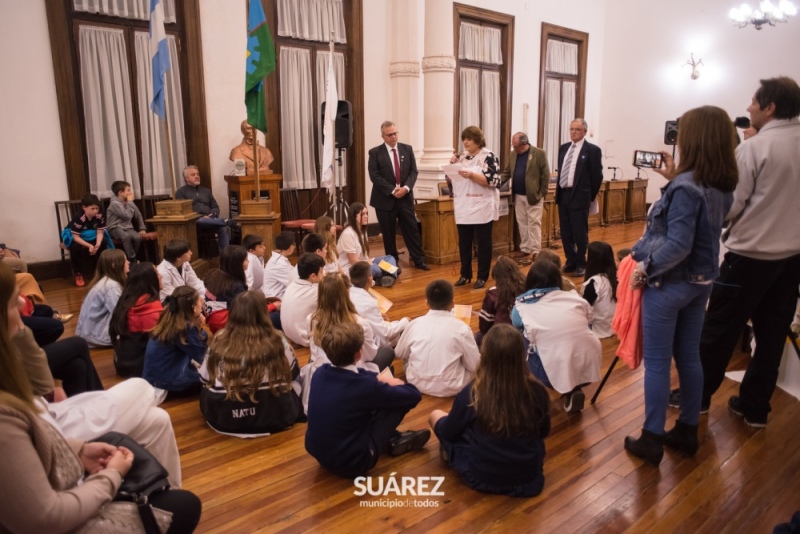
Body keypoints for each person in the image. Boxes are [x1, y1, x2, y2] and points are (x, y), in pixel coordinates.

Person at [0, 262, 201, 533]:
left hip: (58, 431)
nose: (23, 309)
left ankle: (163, 491)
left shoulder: (133, 297)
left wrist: (77, 450)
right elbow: (43, 518)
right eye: (15, 304)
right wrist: (112, 475)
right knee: (140, 387)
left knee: (157, 418)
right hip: (59, 464)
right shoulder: (5, 420)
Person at [670, 78, 800, 430]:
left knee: (719, 330)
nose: (748, 108)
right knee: (772, 336)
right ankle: (755, 407)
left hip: (750, 257)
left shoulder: (756, 148)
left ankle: (696, 399)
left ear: (770, 107)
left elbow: (728, 207)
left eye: (754, 101)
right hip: (792, 260)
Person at [624, 105, 737, 466]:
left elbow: (678, 244)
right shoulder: (718, 185)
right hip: (700, 283)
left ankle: (652, 437)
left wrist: (646, 269)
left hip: (669, 283)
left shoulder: (687, 188)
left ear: (695, 138)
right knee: (688, 356)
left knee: (657, 364)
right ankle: (687, 430)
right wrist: (673, 177)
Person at [429, 324, 551, 497]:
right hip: (528, 480)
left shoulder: (473, 393)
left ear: (485, 356)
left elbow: (449, 432)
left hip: (483, 476)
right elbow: (543, 432)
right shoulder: (538, 392)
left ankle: (452, 453)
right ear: (521, 355)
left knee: (436, 416)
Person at [304, 321, 429, 478]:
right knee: (396, 403)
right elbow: (413, 395)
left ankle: (391, 438)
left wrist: (378, 380)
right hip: (354, 463)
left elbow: (359, 375)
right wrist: (393, 383)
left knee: (367, 403)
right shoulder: (365, 387)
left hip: (317, 452)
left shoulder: (319, 373)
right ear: (359, 353)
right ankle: (389, 439)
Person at [200, 291, 304, 437]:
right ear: (263, 314)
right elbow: (293, 373)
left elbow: (204, 379)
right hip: (273, 415)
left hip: (224, 418)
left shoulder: (218, 340)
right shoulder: (277, 339)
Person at [512, 260, 601, 414]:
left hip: (549, 372)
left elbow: (516, 323)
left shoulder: (521, 307)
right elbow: (588, 319)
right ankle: (572, 388)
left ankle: (521, 383)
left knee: (522, 335)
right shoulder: (575, 298)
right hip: (590, 363)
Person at [300, 273, 395, 414]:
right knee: (387, 352)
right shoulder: (359, 322)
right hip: (350, 371)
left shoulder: (311, 319)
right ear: (346, 294)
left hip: (322, 372)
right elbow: (369, 355)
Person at [395, 280, 480, 397]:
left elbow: (399, 353)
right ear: (452, 303)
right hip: (451, 386)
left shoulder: (414, 324)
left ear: (427, 303)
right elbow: (474, 365)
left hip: (415, 382)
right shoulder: (462, 328)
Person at [367, 120, 429, 271]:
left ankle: (418, 259)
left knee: (411, 229)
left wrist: (406, 188)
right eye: (390, 135)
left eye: (395, 133)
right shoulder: (375, 153)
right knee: (388, 233)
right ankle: (392, 262)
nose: (394, 137)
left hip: (405, 198)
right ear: (383, 136)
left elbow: (413, 172)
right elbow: (374, 176)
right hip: (384, 199)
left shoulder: (407, 149)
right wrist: (393, 190)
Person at [447, 126, 502, 290]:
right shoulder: (462, 158)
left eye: (469, 139)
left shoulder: (489, 156)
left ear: (478, 141)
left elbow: (494, 181)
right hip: (464, 206)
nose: (465, 142)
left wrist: (471, 175)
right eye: (464, 139)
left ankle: (482, 276)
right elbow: (452, 181)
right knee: (464, 243)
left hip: (482, 206)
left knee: (483, 244)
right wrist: (451, 168)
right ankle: (465, 274)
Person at [555, 118, 604, 277]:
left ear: (584, 132)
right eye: (571, 129)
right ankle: (571, 260)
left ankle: (582, 262)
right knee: (566, 231)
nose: (573, 132)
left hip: (580, 196)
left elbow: (597, 176)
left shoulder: (592, 150)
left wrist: (588, 196)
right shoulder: (563, 149)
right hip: (563, 194)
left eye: (576, 130)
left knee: (579, 232)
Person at [143, 285, 208, 396]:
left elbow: (201, 338)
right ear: (193, 307)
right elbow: (203, 355)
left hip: (153, 378)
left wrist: (197, 327)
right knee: (209, 378)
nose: (202, 301)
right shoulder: (184, 328)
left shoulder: (170, 317)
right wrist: (197, 328)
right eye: (199, 300)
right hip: (166, 382)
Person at [499, 132, 551, 262]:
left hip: (533, 196)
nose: (513, 147)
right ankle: (525, 248)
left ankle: (535, 251)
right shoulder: (513, 154)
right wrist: (494, 184)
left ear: (523, 144)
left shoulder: (539, 154)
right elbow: (507, 172)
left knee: (534, 223)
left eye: (515, 145)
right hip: (518, 195)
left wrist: (542, 193)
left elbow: (546, 175)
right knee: (522, 223)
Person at [110, 262, 164, 377]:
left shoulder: (126, 301)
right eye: (157, 274)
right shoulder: (151, 310)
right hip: (140, 368)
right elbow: (163, 343)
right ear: (150, 280)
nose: (161, 276)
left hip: (121, 363)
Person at [349, 261, 409, 348]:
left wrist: (378, 315)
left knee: (395, 324)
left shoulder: (347, 293)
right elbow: (386, 333)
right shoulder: (370, 303)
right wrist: (405, 321)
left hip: (353, 336)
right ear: (370, 278)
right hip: (369, 343)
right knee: (406, 328)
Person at [75, 248, 129, 346]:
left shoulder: (106, 281)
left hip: (87, 333)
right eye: (125, 260)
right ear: (114, 265)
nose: (128, 263)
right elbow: (121, 313)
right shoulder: (111, 286)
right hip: (95, 336)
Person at [338, 202, 399, 287]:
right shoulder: (348, 233)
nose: (366, 216)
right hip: (353, 267)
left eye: (366, 213)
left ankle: (386, 277)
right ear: (354, 216)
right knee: (376, 270)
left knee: (390, 258)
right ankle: (382, 277)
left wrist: (369, 261)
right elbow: (353, 261)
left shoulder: (363, 231)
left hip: (365, 262)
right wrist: (367, 262)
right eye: (363, 214)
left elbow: (365, 256)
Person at [175, 164, 230, 255]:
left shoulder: (206, 191)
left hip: (210, 220)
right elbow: (183, 211)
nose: (196, 176)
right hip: (194, 222)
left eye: (197, 174)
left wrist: (212, 215)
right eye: (193, 175)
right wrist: (202, 217)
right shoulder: (181, 192)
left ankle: (225, 258)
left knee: (223, 228)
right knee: (200, 220)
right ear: (186, 178)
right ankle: (225, 221)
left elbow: (215, 207)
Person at [476, 256, 525, 348]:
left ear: (497, 277)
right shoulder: (526, 289)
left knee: (479, 336)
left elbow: (484, 326)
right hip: (522, 337)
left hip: (500, 339)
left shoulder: (493, 293)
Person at [280, 253, 326, 347]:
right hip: (306, 338)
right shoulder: (315, 292)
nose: (324, 273)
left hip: (289, 334)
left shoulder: (292, 285)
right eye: (321, 271)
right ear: (313, 276)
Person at [64, 193, 110, 287]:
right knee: (74, 247)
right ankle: (78, 273)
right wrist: (89, 246)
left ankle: (101, 271)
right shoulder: (79, 217)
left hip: (93, 236)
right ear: (84, 207)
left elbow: (100, 232)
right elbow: (75, 237)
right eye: (92, 209)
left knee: (104, 242)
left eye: (97, 208)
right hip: (79, 237)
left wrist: (97, 244)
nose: (95, 211)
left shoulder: (99, 216)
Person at [204, 245, 249, 333]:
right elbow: (244, 310)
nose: (249, 261)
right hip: (226, 327)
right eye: (246, 260)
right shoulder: (235, 286)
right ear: (237, 264)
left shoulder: (213, 274)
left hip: (212, 320)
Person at [581, 241, 618, 338]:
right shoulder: (616, 277)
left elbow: (583, 308)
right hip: (614, 327)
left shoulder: (595, 283)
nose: (585, 256)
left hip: (598, 330)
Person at [106, 180, 148, 263]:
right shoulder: (115, 203)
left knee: (137, 237)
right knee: (126, 237)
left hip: (127, 227)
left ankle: (131, 258)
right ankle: (132, 259)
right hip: (114, 227)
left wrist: (142, 228)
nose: (130, 193)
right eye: (128, 190)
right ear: (121, 192)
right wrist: (130, 202)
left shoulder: (128, 202)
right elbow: (127, 215)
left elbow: (138, 214)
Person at [262, 231, 297, 299]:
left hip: (280, 294)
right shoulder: (279, 264)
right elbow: (294, 282)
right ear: (291, 246)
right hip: (275, 299)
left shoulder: (279, 258)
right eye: (294, 245)